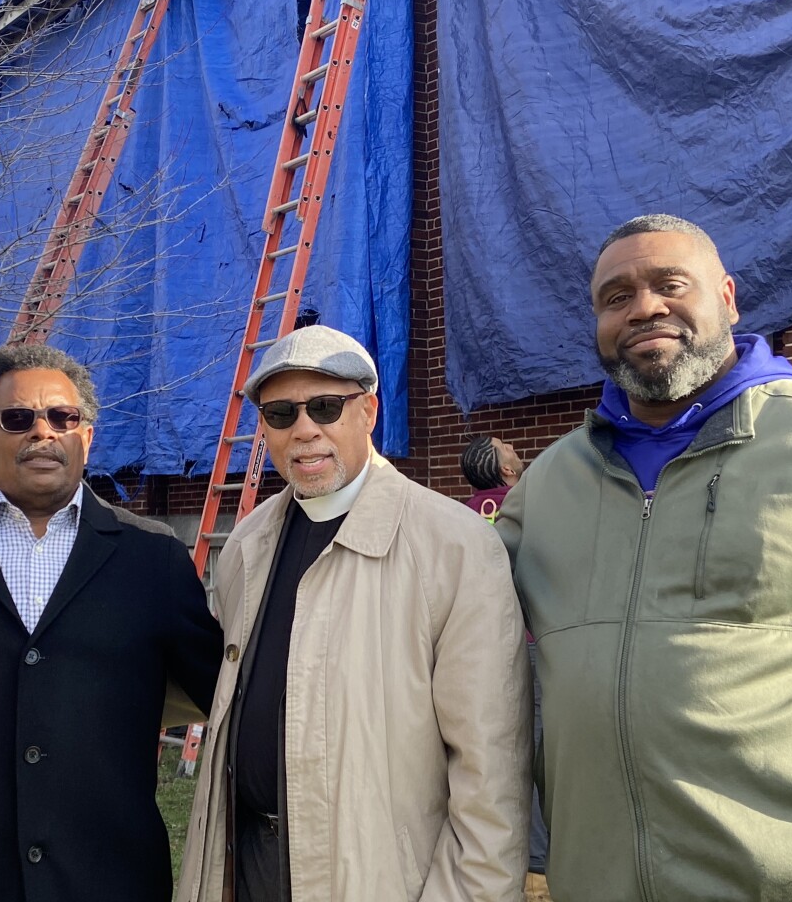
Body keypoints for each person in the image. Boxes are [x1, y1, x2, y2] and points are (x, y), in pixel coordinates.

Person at [496, 213, 792, 902]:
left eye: (669, 283)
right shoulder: (547, 486)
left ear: (727, 296)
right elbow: (445, 602)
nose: (645, 307)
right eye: (616, 297)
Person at [178, 324, 532, 902]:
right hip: (247, 865)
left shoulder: (453, 545)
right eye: (282, 413)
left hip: (376, 877)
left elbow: (491, 773)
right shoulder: (247, 545)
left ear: (368, 411)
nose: (305, 429)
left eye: (326, 406)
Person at [0, 344, 222, 902]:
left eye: (63, 417)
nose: (43, 432)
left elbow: (226, 697)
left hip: (111, 882)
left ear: (86, 437)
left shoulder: (153, 561)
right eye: (18, 419)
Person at [460, 434, 548, 900]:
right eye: (509, 448)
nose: (517, 449)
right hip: (535, 646)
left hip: (480, 653)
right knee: (540, 751)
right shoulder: (533, 505)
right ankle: (537, 863)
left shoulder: (461, 517)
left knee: (493, 752)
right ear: (507, 471)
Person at [461, 434, 526, 521]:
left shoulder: (466, 513)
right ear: (507, 470)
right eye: (504, 448)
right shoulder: (526, 505)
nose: (510, 446)